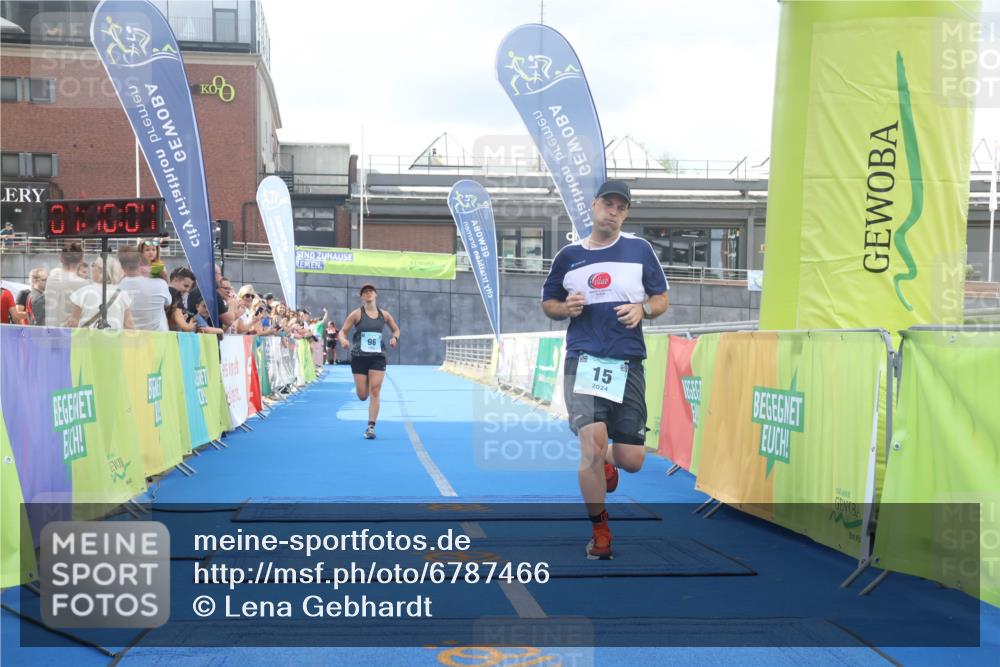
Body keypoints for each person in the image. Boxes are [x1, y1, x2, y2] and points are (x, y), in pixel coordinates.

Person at [540, 180, 669, 560]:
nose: (612, 211)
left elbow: (662, 298)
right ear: (593, 205)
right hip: (583, 359)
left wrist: (643, 308)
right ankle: (601, 532)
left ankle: (609, 462)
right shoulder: (568, 256)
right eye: (607, 204)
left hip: (627, 361)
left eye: (619, 207)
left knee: (632, 460)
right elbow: (548, 302)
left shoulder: (640, 250)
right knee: (591, 447)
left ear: (625, 214)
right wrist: (566, 308)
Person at [337, 284, 401, 439]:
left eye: (370, 291)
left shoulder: (384, 315)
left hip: (378, 357)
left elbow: (396, 329)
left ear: (375, 294)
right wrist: (343, 341)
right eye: (365, 292)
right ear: (362, 297)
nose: (368, 294)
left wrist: (394, 338)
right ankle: (363, 385)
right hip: (359, 357)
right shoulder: (356, 314)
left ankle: (371, 427)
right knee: (362, 395)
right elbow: (342, 332)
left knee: (375, 391)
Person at [66, 256, 134, 329]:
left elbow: (73, 323)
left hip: (87, 339)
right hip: (114, 339)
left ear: (100, 270)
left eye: (94, 265)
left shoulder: (83, 292)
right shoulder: (122, 295)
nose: (91, 269)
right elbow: (129, 324)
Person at [118, 246, 172, 331]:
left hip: (129, 339)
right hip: (158, 339)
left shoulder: (117, 288)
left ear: (121, 265)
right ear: (140, 260)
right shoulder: (160, 284)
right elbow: (168, 303)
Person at [44, 241, 89, 327]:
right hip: (71, 335)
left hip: (50, 332)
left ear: (61, 258)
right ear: (82, 260)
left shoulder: (51, 279)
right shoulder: (83, 284)